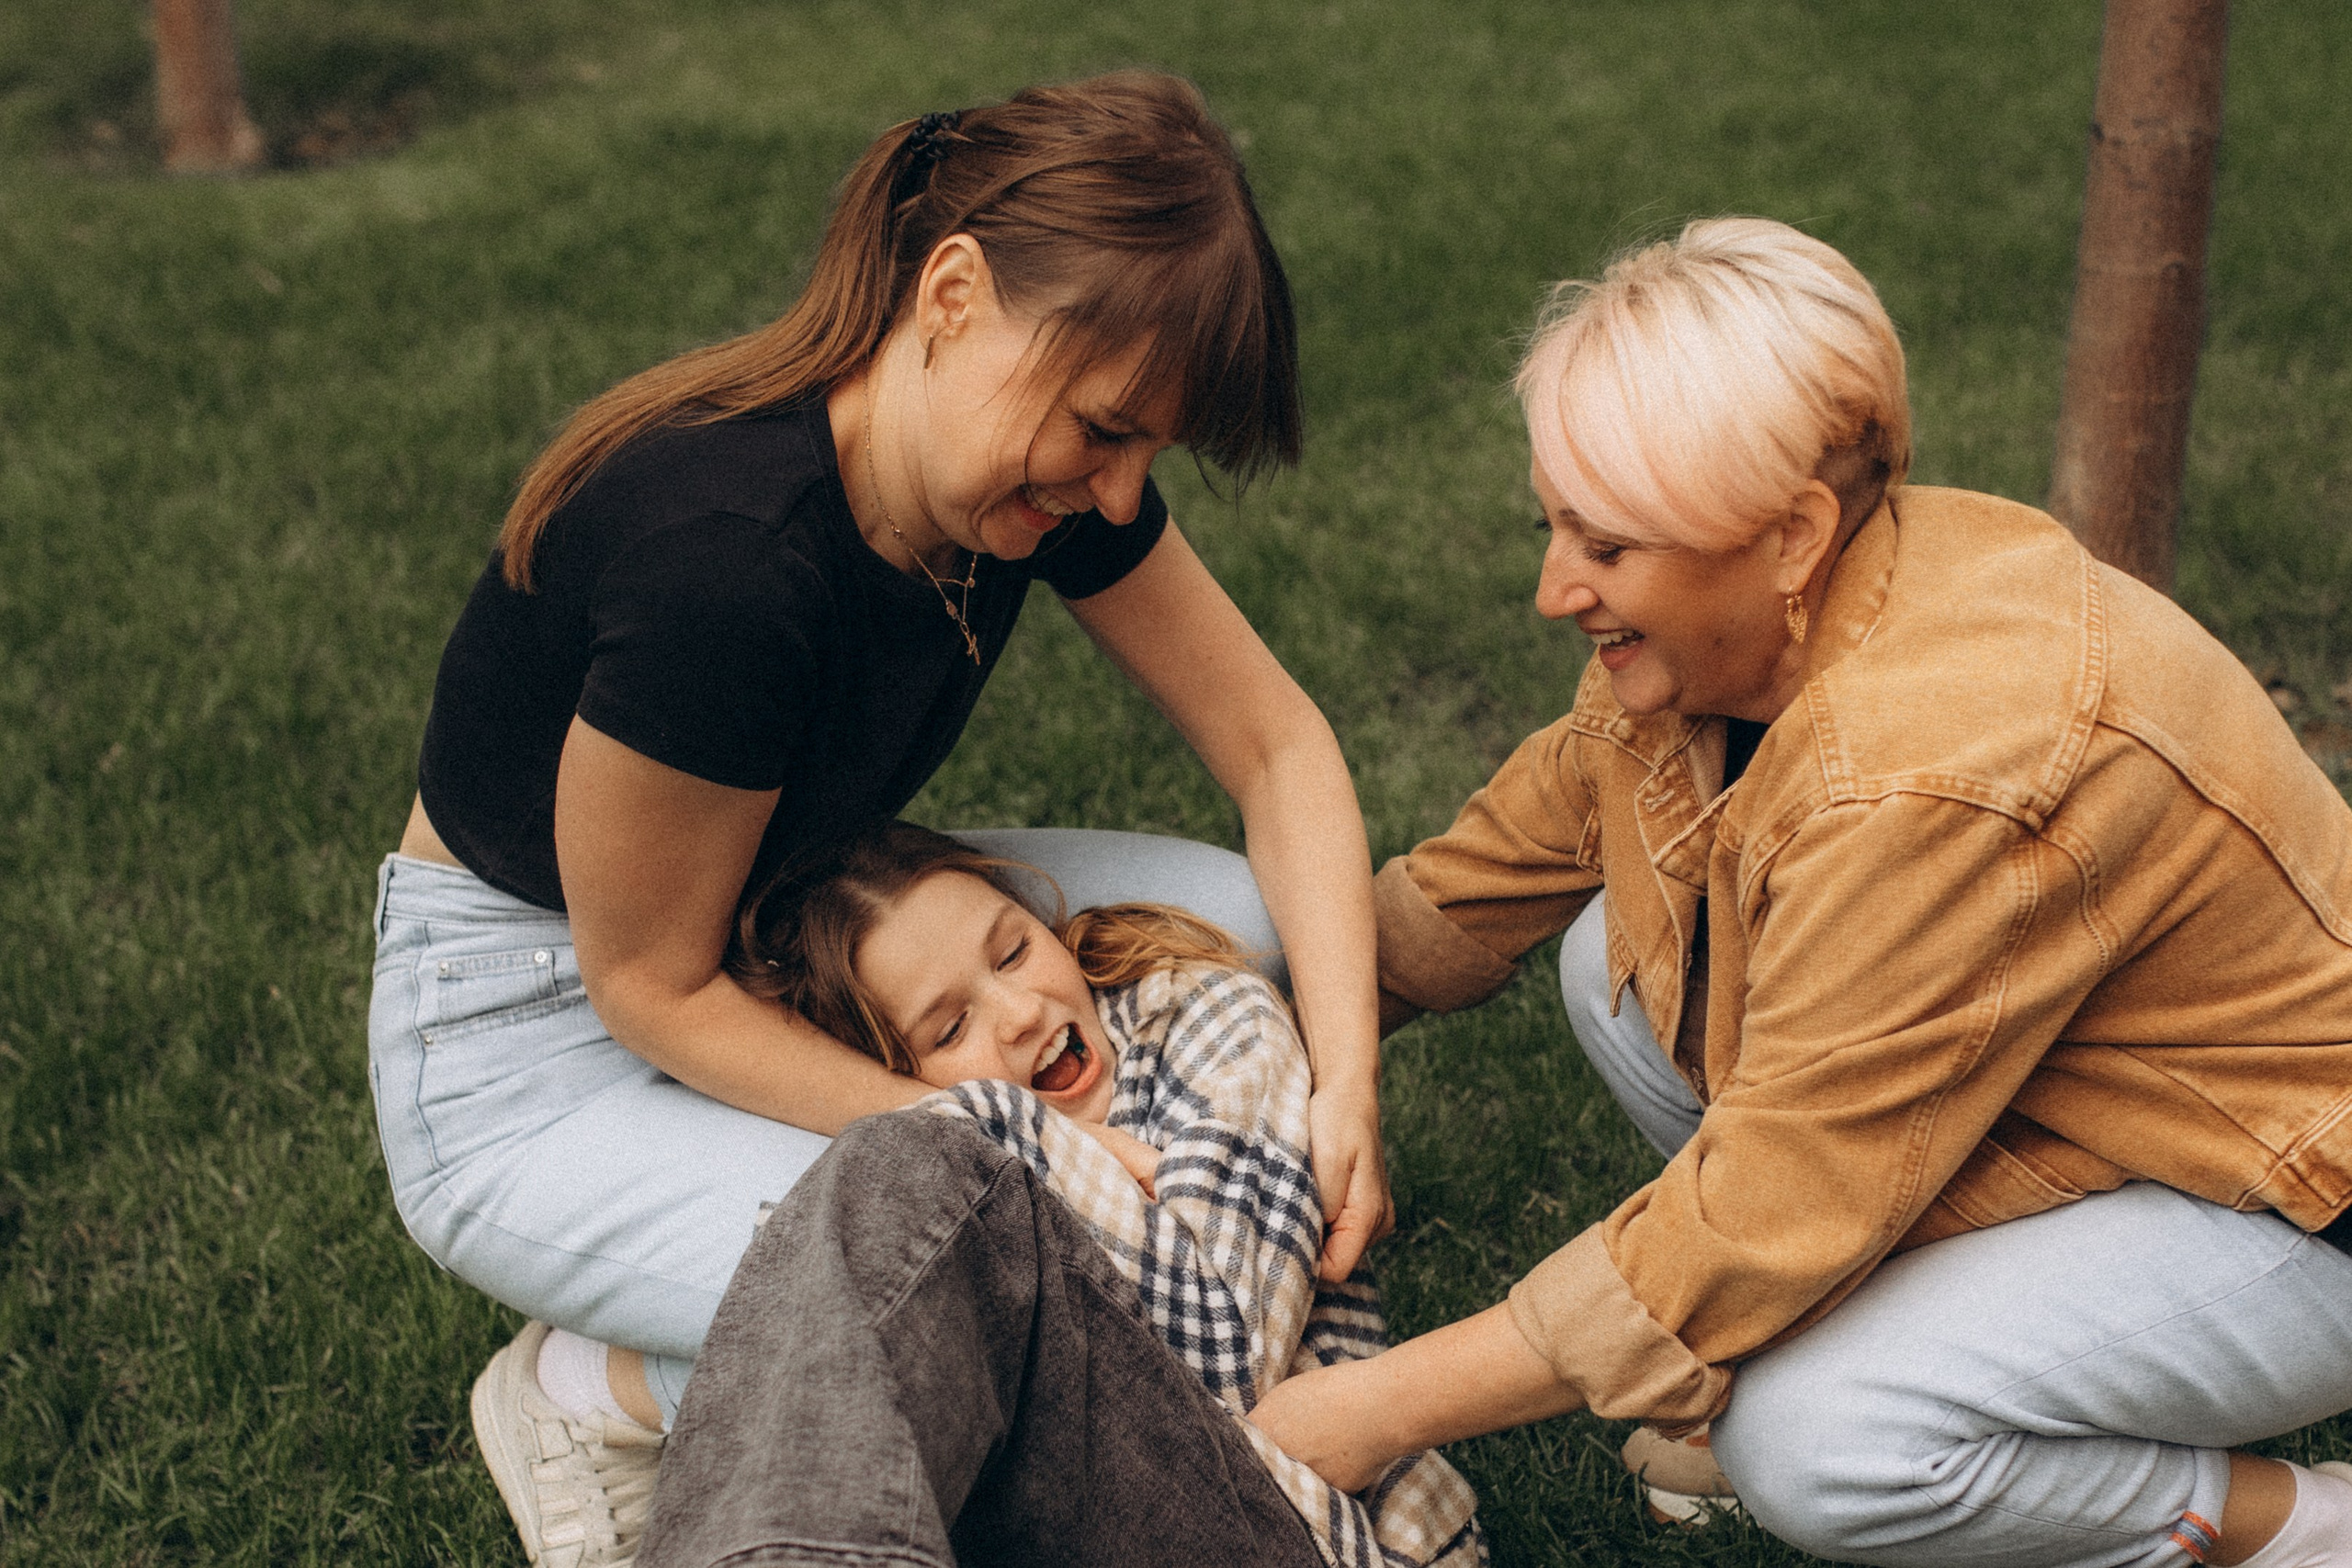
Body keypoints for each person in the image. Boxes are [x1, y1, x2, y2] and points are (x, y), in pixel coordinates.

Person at [366, 72, 1391, 1568]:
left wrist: (1345, 1089)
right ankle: (592, 1392)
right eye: (1101, 430)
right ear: (956, 293)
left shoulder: (1015, 489)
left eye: (1145, 453)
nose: (1116, 491)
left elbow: (1280, 744)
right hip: (529, 1054)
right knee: (1016, 1274)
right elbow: (646, 987)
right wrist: (1013, 1146)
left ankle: (762, 1262)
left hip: (770, 915)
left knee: (1236, 920)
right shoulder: (730, 570)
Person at [1247, 218, 2352, 1568]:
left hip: (2287, 1193)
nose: (1553, 588)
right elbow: (1454, 906)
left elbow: (1760, 1208)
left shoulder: (1923, 775)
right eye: (1553, 525)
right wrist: (1194, 1032)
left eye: (1606, 544)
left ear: (1791, 535)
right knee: (1617, 962)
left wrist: (1358, 1412)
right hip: (2081, 1106)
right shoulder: (1736, 643)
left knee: (1819, 1438)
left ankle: (2298, 1530)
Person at [628, 821, 1480, 1568]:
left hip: (1298, 1516)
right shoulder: (945, 1161)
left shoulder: (1211, 1022)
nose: (1022, 1012)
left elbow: (1224, 1350)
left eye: (1013, 950)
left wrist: (1011, 1131)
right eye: (951, 1028)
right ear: (892, 1078)